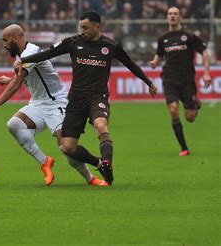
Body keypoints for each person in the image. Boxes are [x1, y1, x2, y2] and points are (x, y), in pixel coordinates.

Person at [14, 10, 157, 185]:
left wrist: (148, 82)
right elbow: (47, 54)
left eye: (85, 27)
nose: (82, 31)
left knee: (101, 125)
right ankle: (98, 163)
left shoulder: (110, 46)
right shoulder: (73, 42)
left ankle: (107, 163)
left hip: (98, 97)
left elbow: (130, 64)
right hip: (76, 100)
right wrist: (24, 60)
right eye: (80, 27)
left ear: (97, 26)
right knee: (68, 147)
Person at [0, 24, 108, 186]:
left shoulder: (30, 52)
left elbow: (18, 82)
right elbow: (24, 77)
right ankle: (45, 162)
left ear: (15, 38)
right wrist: (9, 80)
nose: (4, 45)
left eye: (5, 40)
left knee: (66, 148)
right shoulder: (22, 55)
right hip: (38, 104)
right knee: (14, 125)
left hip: (56, 103)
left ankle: (91, 178)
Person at [150, 6, 212, 156]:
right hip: (169, 79)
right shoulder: (163, 38)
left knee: (190, 117)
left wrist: (206, 73)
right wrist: (155, 61)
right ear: (167, 17)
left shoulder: (189, 36)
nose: (172, 16)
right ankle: (184, 148)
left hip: (186, 80)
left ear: (180, 17)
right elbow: (159, 54)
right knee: (173, 109)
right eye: (170, 14)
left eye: (175, 14)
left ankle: (194, 101)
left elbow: (204, 52)